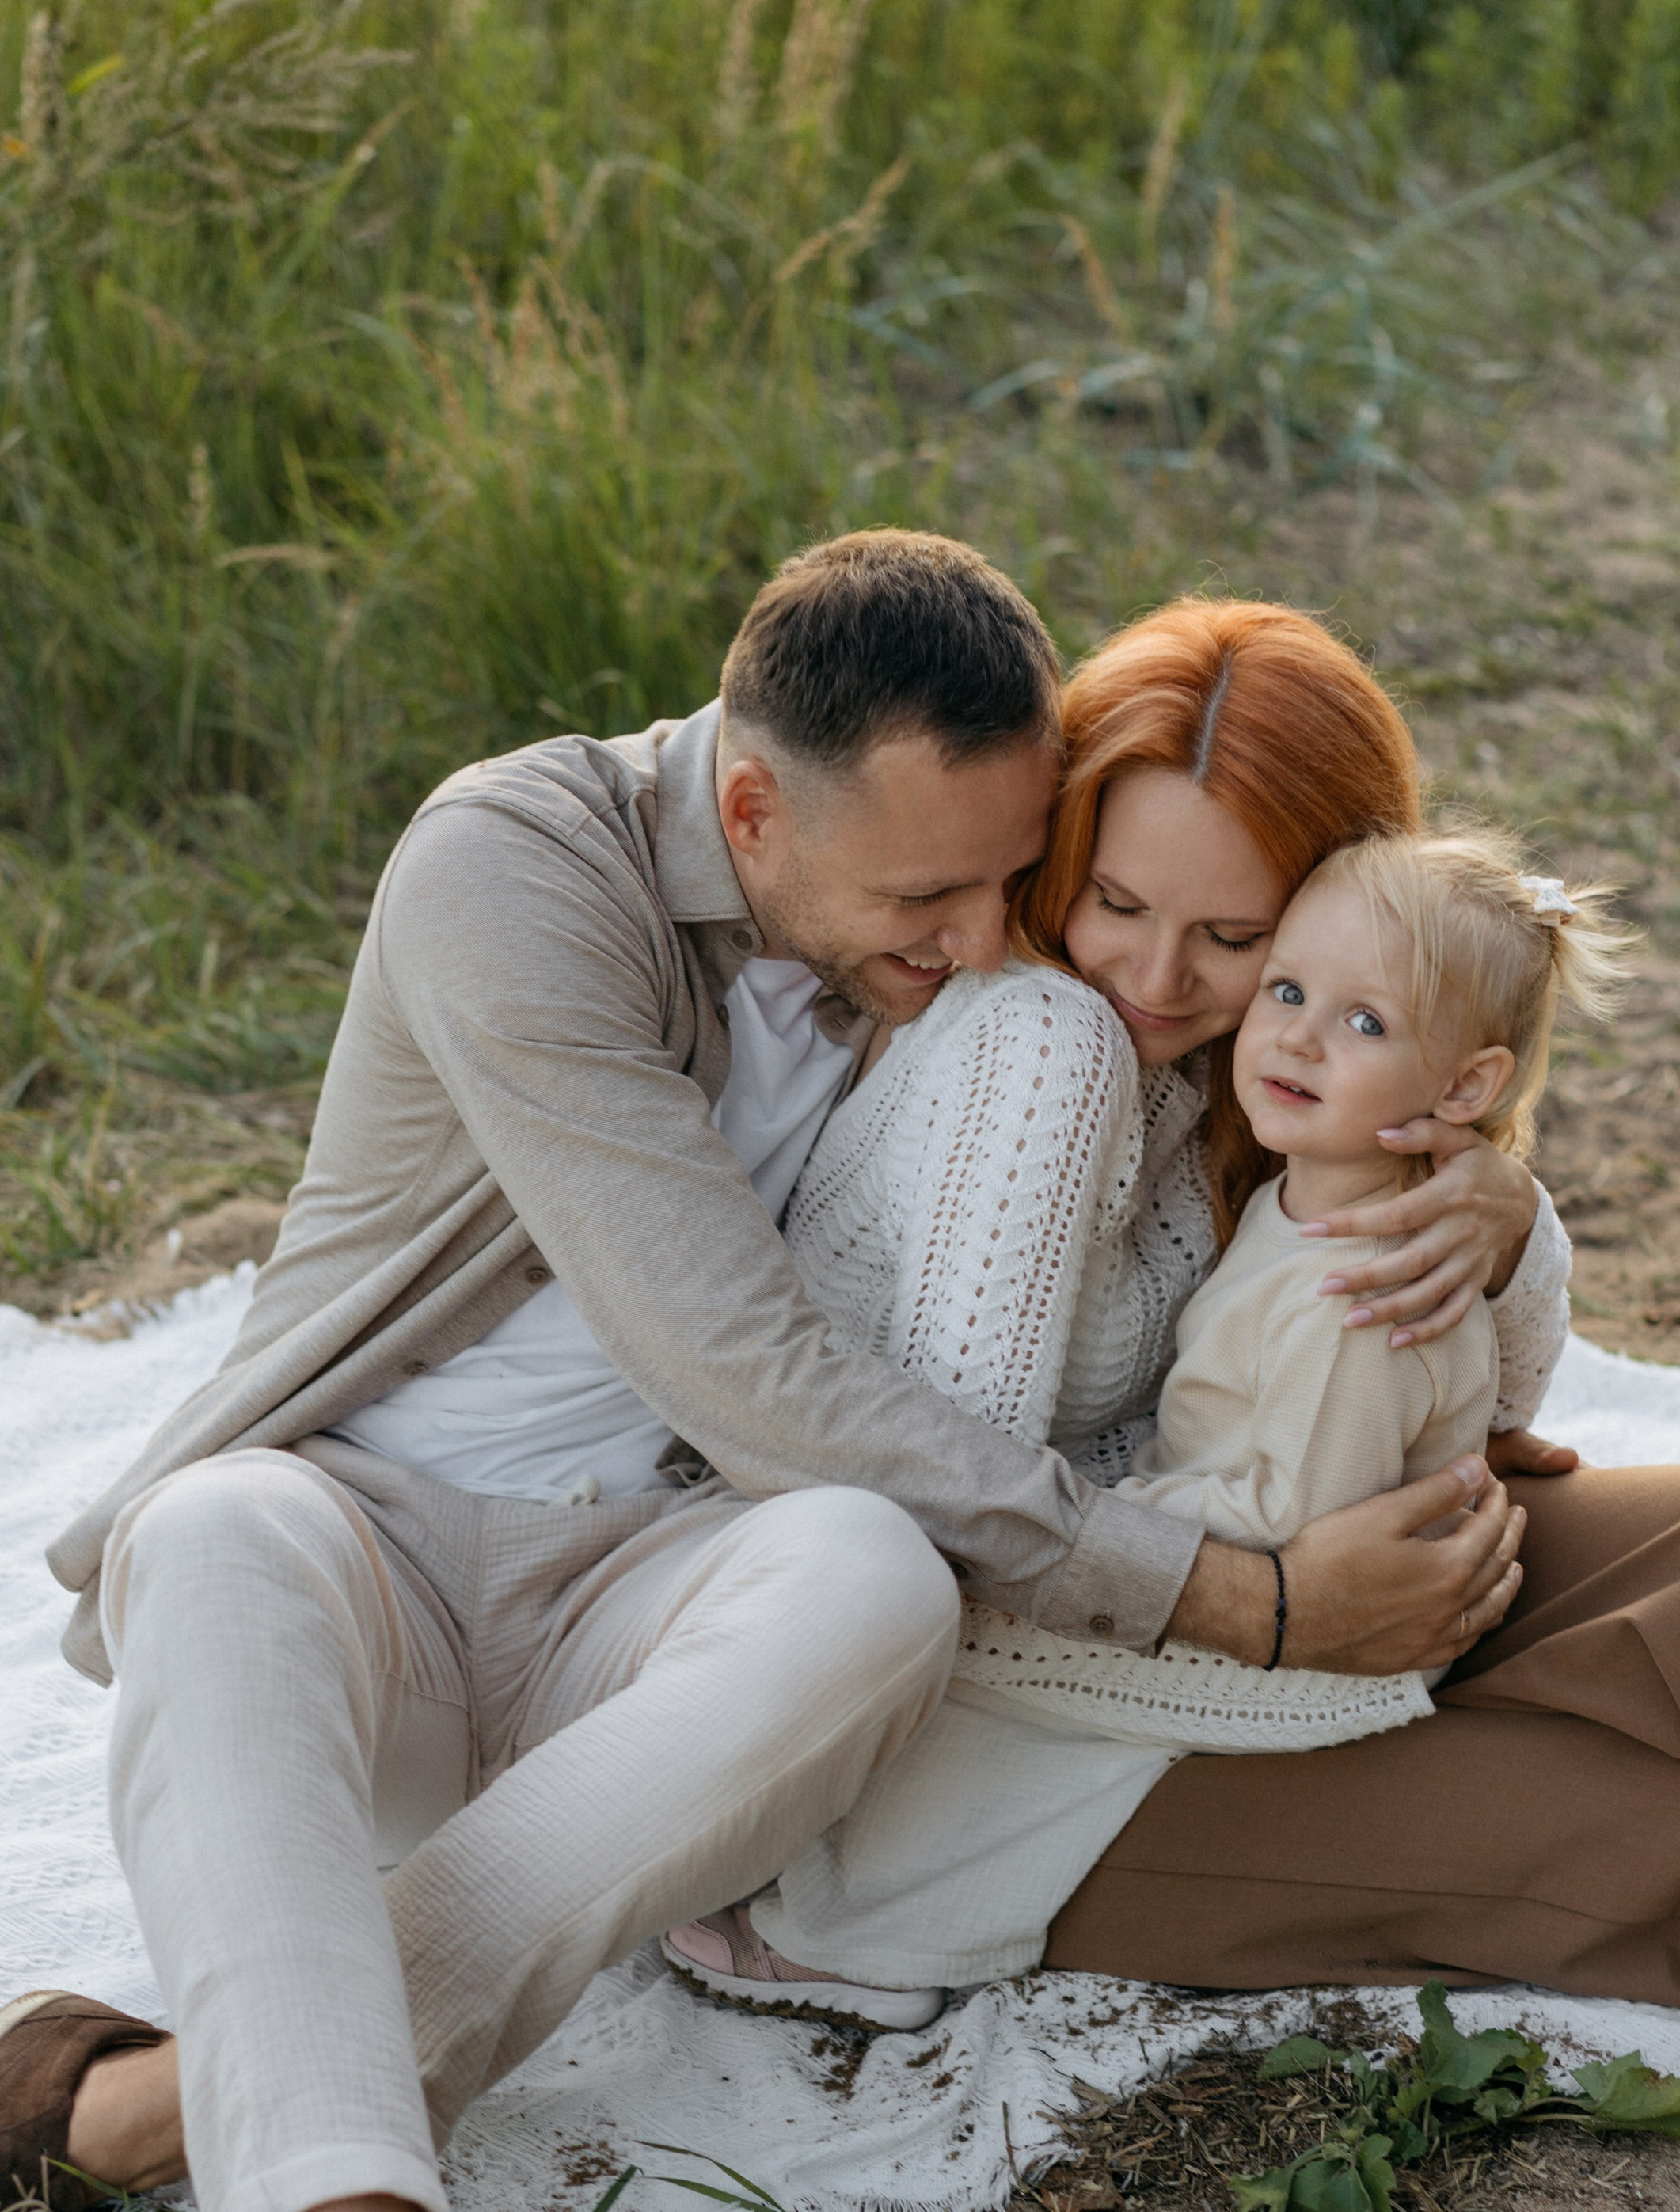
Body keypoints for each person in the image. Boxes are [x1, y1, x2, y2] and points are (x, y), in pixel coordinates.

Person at [0, 545, 1539, 2212]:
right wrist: (1237, 1598)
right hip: (370, 1553)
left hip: (647, 1612)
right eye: (953, 894)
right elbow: (749, 1365)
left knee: (874, 1571)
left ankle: (117, 2108)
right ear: (750, 813)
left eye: (1024, 883)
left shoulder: (990, 957)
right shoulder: (516, 865)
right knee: (226, 1535)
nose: (1000, 943)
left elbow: (1336, 1026)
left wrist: (1488, 1196)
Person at [671, 820, 1619, 2012]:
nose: (1298, 1038)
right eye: (1287, 988)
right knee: (999, 1639)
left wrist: (1116, 1521)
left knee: (992, 1685)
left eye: (1364, 1022)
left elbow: (1294, 1518)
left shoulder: (1358, 1293)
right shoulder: (1311, 1193)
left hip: (1330, 1624)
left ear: (1469, 1084)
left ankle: (860, 1941)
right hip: (1256, 1564)